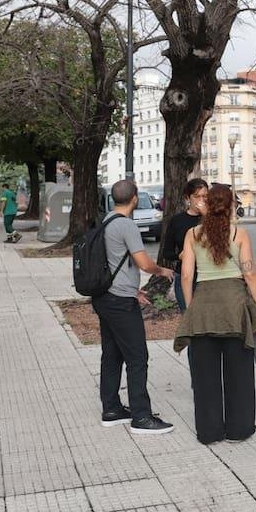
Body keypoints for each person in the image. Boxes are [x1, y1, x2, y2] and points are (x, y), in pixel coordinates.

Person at [174, 183, 256, 445]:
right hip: (235, 307)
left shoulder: (192, 234)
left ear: (208, 204)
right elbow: (249, 272)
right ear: (231, 206)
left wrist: (192, 307)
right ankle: (239, 429)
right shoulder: (239, 234)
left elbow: (187, 276)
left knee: (205, 376)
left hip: (203, 306)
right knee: (239, 373)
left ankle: (210, 432)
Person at [94, 179, 175, 435]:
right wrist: (162, 270)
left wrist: (132, 289)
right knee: (138, 358)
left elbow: (113, 261)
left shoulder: (105, 221)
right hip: (120, 302)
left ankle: (111, 409)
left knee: (112, 354)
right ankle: (141, 417)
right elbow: (142, 262)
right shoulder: (126, 225)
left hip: (105, 297)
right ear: (135, 198)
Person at [159, 178, 209, 312]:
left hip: (208, 277)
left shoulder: (213, 219)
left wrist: (206, 216)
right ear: (188, 198)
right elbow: (167, 252)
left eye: (205, 196)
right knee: (189, 318)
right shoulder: (177, 220)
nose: (201, 200)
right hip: (185, 276)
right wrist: (179, 256)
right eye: (197, 196)